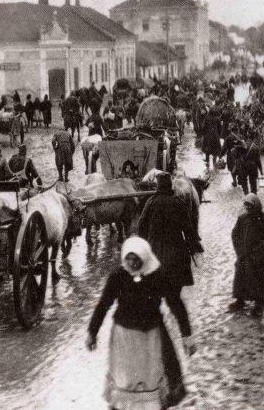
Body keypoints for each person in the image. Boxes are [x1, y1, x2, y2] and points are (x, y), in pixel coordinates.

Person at [86, 237, 193, 410]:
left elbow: (176, 305)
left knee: (150, 377)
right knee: (126, 379)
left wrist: (187, 336)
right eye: (128, 258)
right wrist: (92, 332)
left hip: (151, 337)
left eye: (136, 259)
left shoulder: (158, 275)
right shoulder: (118, 276)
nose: (132, 263)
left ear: (145, 257)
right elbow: (103, 305)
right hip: (124, 337)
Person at [137, 172, 203, 346]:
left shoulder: (150, 203)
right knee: (175, 300)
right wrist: (194, 249)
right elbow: (189, 230)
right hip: (176, 259)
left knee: (152, 299)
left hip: (154, 260)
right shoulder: (178, 203)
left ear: (158, 186)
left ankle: (152, 338)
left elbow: (141, 228)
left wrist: (145, 245)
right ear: (171, 186)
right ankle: (187, 338)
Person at [229, 194, 264, 317]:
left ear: (256, 206)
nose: (248, 208)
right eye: (246, 205)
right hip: (244, 255)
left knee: (259, 279)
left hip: (261, 258)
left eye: (250, 206)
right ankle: (240, 300)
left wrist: (259, 250)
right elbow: (235, 234)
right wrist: (239, 249)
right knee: (240, 276)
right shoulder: (242, 219)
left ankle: (258, 304)